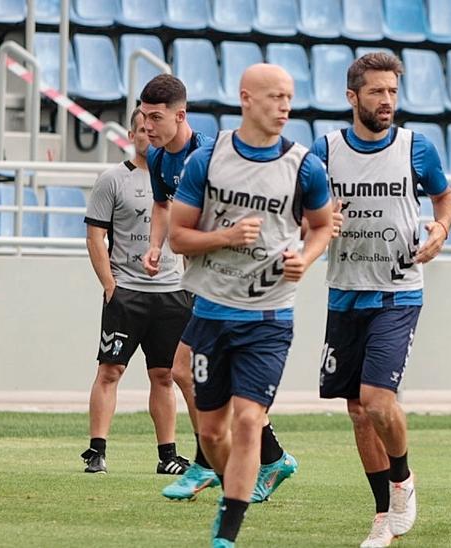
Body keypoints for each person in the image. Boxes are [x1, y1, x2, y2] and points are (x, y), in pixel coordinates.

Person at [169, 64, 334, 547]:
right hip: (211, 313)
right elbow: (178, 236)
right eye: (274, 97)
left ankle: (228, 532)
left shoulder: (305, 165)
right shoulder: (208, 159)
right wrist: (224, 236)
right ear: (245, 98)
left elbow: (322, 225)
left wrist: (305, 257)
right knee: (214, 433)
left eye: (289, 97)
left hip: (269, 317)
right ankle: (231, 487)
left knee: (248, 420)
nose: (284, 107)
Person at [312, 53, 451, 548]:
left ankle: (402, 479)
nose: (387, 101)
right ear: (352, 97)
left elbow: (446, 197)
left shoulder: (416, 147)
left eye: (393, 92)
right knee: (357, 409)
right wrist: (321, 222)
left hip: (398, 291)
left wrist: (440, 229)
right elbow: (304, 211)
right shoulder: (326, 150)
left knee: (377, 400)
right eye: (377, 92)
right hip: (344, 292)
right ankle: (382, 517)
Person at [138, 74, 296, 503]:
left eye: (156, 118)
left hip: (230, 288)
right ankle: (263, 457)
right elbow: (161, 204)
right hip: (199, 282)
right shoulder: (157, 158)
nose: (148, 127)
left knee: (192, 374)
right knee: (189, 374)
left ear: (180, 115)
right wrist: (156, 246)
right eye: (144, 117)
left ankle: (209, 465)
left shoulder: (209, 156)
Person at [80, 107, 192, 476]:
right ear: (131, 135)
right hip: (127, 291)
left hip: (172, 293)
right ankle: (96, 450)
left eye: (152, 127)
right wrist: (110, 285)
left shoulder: (182, 177)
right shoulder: (112, 180)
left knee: (165, 375)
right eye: (141, 130)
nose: (148, 134)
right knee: (110, 370)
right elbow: (95, 237)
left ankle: (168, 455)